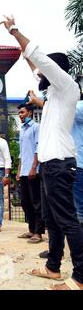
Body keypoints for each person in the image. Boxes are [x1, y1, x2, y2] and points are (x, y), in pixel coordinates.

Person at [1, 15, 83, 290]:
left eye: (43, 72)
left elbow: (39, 58)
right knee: (53, 220)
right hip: (50, 165)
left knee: (68, 220)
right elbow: (34, 62)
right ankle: (53, 268)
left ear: (56, 70)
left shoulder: (67, 85)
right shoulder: (53, 98)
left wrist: (15, 31)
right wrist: (26, 56)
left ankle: (81, 278)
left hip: (60, 164)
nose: (38, 76)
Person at [15, 104, 45, 243]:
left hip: (34, 171)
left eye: (22, 112)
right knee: (25, 202)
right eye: (19, 113)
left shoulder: (36, 127)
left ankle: (38, 233)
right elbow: (22, 153)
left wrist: (34, 167)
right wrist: (19, 170)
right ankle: (31, 229)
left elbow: (38, 148)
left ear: (30, 113)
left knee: (36, 202)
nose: (20, 115)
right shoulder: (22, 129)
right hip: (24, 172)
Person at [72, 96, 83, 226]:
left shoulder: (79, 106)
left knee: (79, 210)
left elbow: (65, 109)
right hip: (77, 164)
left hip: (79, 165)